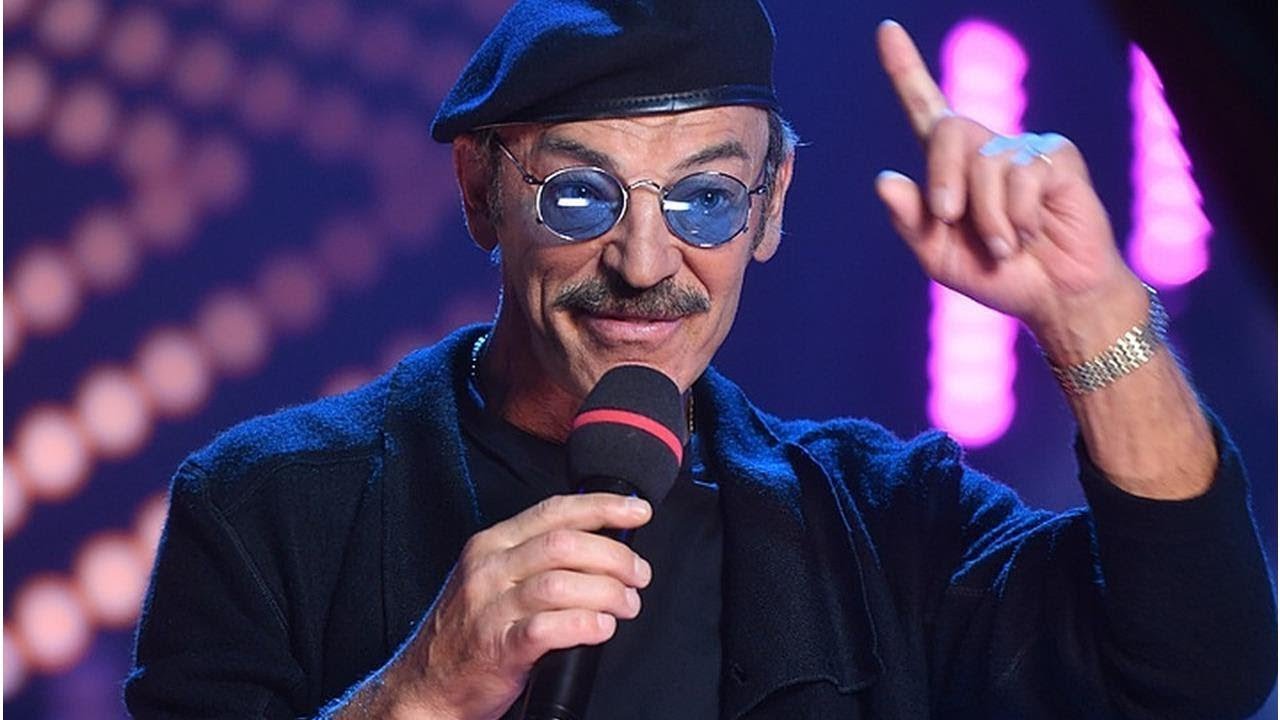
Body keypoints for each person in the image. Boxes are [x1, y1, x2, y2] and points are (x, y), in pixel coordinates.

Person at [125, 1, 1276, 718]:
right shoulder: (266, 502)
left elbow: (1200, 670)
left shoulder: (884, 521)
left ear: (770, 206)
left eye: (705, 199)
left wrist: (1088, 314)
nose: (643, 262)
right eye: (580, 194)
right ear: (479, 191)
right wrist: (417, 696)